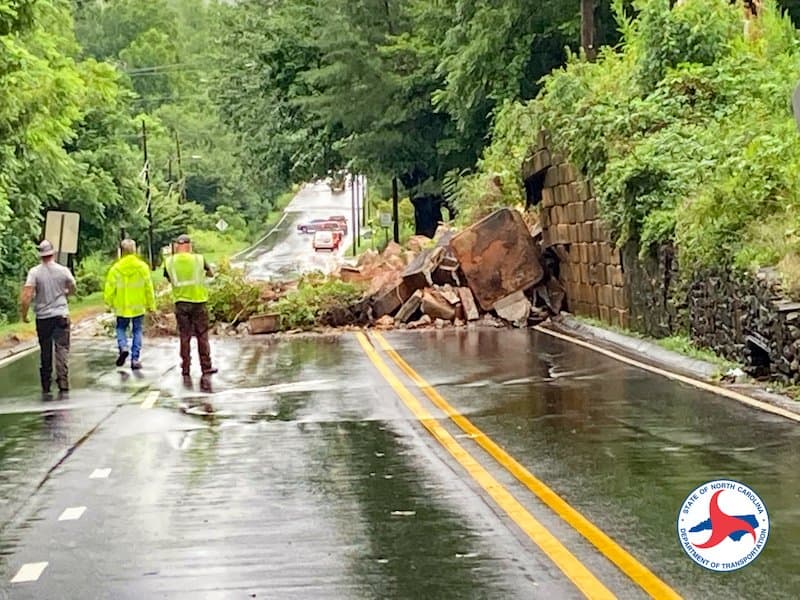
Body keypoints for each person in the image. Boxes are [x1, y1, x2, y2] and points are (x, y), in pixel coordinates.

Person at [20, 240, 77, 394]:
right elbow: (73, 287)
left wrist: (24, 314)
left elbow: (26, 296)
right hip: (61, 315)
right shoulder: (63, 270)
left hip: (43, 317)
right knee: (62, 348)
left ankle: (46, 383)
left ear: (40, 255)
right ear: (53, 253)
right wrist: (66, 293)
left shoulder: (34, 272)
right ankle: (62, 379)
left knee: (45, 350)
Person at [163, 234, 217, 378]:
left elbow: (168, 278)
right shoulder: (199, 259)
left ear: (177, 246)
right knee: (202, 335)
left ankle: (185, 367)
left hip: (181, 302)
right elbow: (211, 274)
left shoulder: (169, 262)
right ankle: (206, 367)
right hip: (199, 302)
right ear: (189, 245)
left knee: (184, 336)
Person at [104, 238, 156, 369]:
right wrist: (151, 305)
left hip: (122, 306)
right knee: (137, 330)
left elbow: (110, 287)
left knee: (121, 328)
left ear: (121, 252)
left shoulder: (116, 269)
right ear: (134, 250)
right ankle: (135, 359)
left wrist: (108, 303)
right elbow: (148, 288)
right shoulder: (142, 267)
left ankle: (123, 347)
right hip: (138, 305)